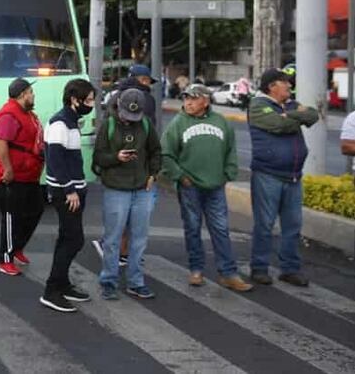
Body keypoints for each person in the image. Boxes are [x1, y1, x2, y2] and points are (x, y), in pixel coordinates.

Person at [162, 85, 252, 292]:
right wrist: (179, 176)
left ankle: (228, 273)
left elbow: (230, 149)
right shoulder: (178, 123)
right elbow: (166, 154)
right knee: (192, 228)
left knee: (220, 229)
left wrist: (228, 173)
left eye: (193, 99)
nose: (188, 103)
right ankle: (196, 270)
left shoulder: (220, 122)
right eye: (186, 99)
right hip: (190, 186)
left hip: (216, 186)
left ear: (206, 101)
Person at [248, 68, 319, 287]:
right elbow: (278, 126)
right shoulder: (258, 106)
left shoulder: (290, 105)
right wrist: (294, 117)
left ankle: (289, 269)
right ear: (272, 86)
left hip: (293, 176)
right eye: (285, 82)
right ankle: (259, 268)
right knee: (265, 224)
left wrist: (290, 115)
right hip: (267, 175)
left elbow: (313, 115)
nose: (289, 86)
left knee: (293, 225)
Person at [94, 89, 162, 301]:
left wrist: (153, 173)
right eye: (126, 114)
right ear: (118, 107)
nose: (130, 119)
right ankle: (109, 282)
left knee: (139, 239)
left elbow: (156, 151)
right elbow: (98, 158)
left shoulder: (146, 125)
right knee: (113, 239)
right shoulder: (109, 125)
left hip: (142, 189)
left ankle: (136, 282)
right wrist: (116, 157)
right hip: (116, 189)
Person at [39, 79, 96, 312]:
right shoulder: (60, 124)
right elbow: (55, 161)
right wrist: (70, 190)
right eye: (89, 100)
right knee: (74, 239)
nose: (92, 104)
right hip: (66, 191)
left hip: (74, 188)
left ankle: (62, 284)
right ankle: (52, 290)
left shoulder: (72, 121)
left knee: (66, 237)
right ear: (75, 99)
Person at [0, 77, 45, 277]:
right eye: (31, 92)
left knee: (35, 210)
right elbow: (0, 142)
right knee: (11, 217)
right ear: (23, 94)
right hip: (13, 176)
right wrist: (7, 169)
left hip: (29, 174)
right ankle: (5, 259)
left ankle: (17, 247)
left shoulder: (28, 114)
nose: (33, 95)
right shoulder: (9, 114)